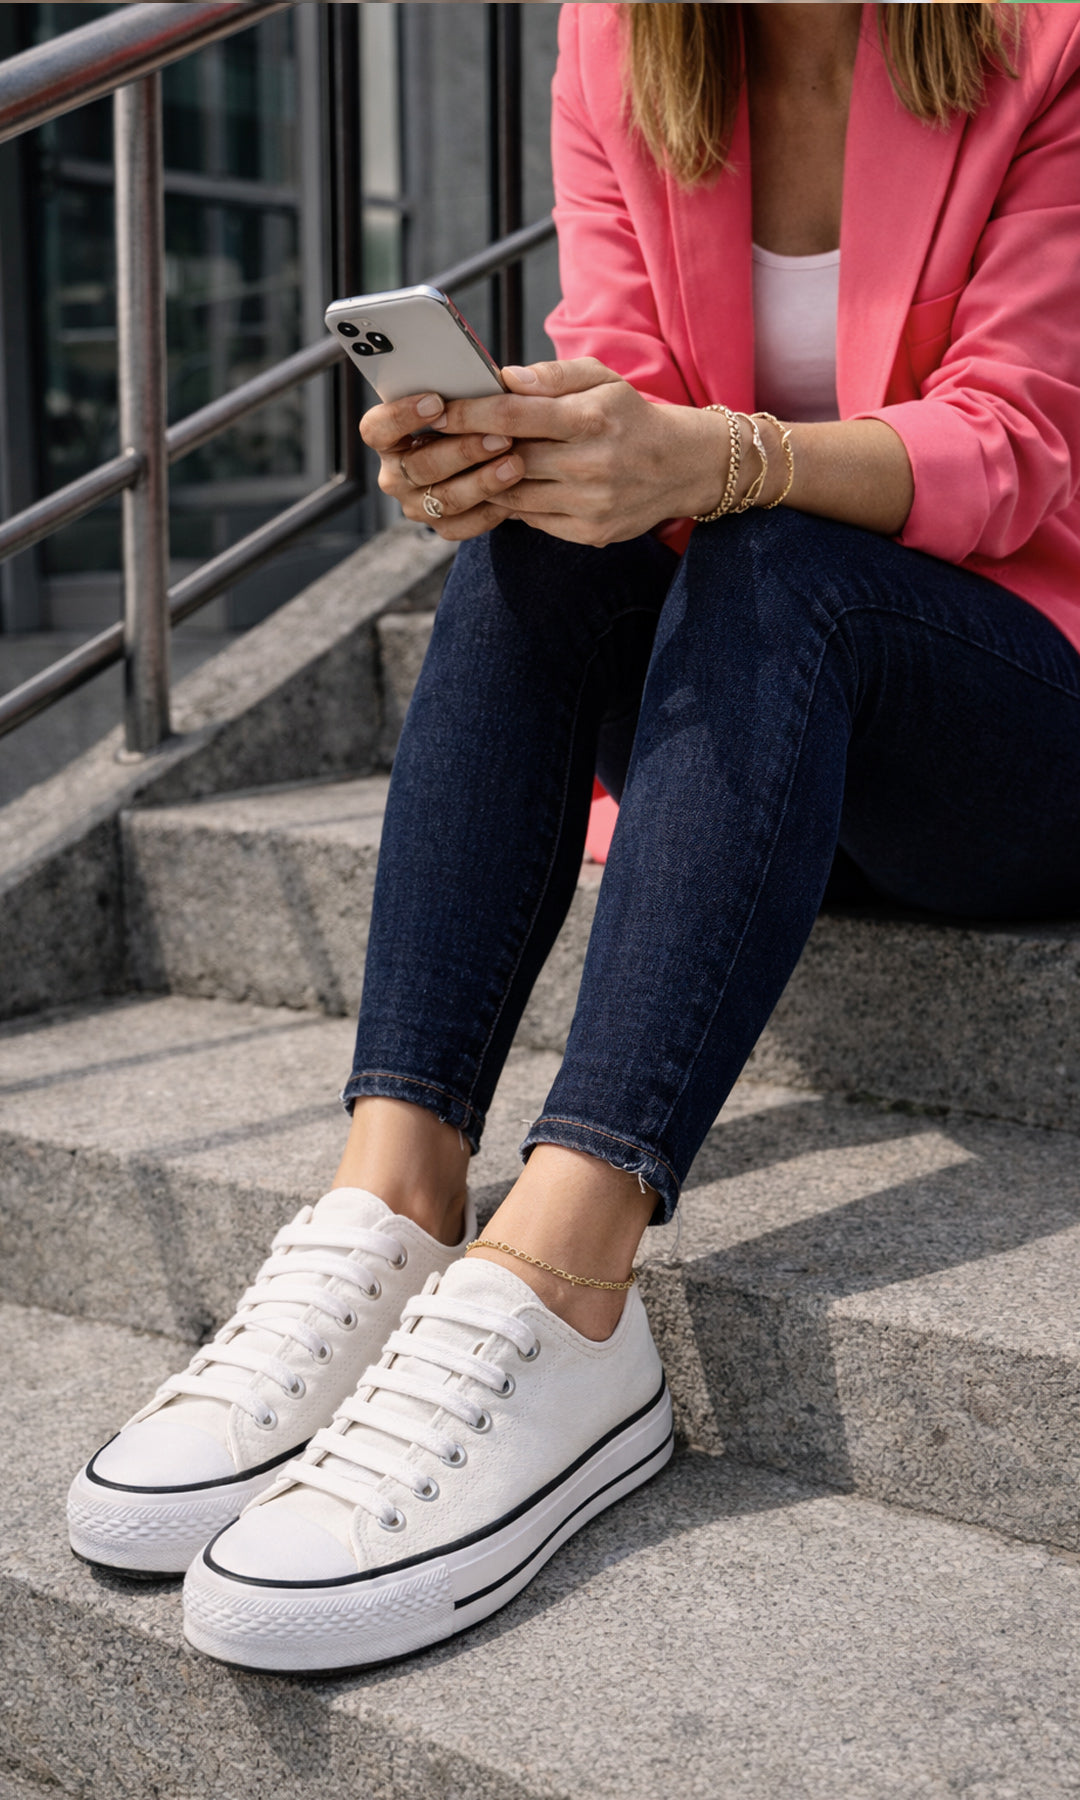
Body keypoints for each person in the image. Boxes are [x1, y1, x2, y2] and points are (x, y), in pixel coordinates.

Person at [70, 2, 1080, 1673]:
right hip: (777, 738)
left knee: (772, 555)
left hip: (1016, 721)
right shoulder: (625, 41)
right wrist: (513, 453)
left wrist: (718, 456)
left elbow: (1023, 444)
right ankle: (393, 1197)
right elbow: (628, 385)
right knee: (538, 550)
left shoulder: (1043, 42)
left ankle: (568, 1284)